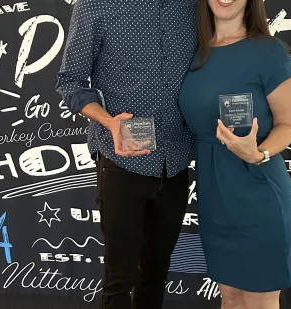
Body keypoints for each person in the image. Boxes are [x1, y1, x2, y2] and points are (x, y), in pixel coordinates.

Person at [55, 1, 197, 308]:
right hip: (121, 162)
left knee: (157, 273)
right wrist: (108, 121)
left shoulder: (192, 7)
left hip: (175, 161)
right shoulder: (95, 5)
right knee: (120, 276)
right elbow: (71, 82)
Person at [178, 0, 291, 308]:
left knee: (258, 300)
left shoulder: (270, 52)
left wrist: (258, 152)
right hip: (214, 198)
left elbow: (288, 125)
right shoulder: (192, 53)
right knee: (230, 299)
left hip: (259, 195)